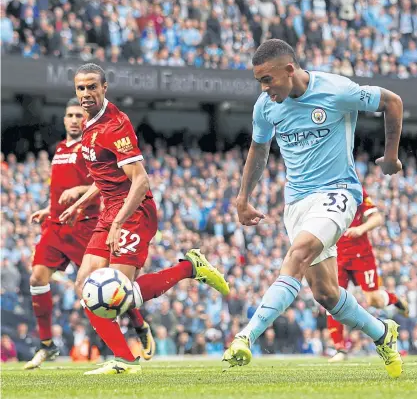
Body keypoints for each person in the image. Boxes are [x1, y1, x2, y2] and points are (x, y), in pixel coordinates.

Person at [222, 39, 403, 378]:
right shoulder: (265, 106)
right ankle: (382, 333)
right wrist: (243, 196)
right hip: (297, 204)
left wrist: (391, 155)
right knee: (326, 294)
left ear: (289, 70)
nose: (263, 88)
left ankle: (245, 336)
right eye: (259, 81)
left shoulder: (336, 90)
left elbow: (391, 102)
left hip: (338, 193)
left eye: (267, 79)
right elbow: (258, 150)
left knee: (298, 254)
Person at [60, 63, 229, 375]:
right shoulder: (88, 125)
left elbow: (140, 182)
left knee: (117, 294)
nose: (85, 93)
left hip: (134, 212)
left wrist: (119, 223)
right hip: (110, 211)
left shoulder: (116, 125)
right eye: (80, 88)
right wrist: (80, 203)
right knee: (85, 285)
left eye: (92, 87)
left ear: (104, 88)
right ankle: (130, 346)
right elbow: (106, 178)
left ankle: (188, 268)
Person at [24, 98, 155, 370]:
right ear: (63, 119)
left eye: (77, 115)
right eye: (69, 115)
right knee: (37, 276)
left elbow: (105, 181)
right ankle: (47, 344)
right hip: (58, 223)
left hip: (87, 223)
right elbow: (59, 190)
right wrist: (47, 209)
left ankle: (139, 324)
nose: (73, 119)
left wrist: (80, 194)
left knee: (108, 284)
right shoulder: (60, 149)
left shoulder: (93, 145)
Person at [328, 188, 409, 362]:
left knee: (374, 301)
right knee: (331, 297)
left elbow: (377, 217)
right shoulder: (322, 188)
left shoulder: (355, 189)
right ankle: (340, 349)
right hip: (335, 255)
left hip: (360, 254)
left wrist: (361, 229)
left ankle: (394, 299)